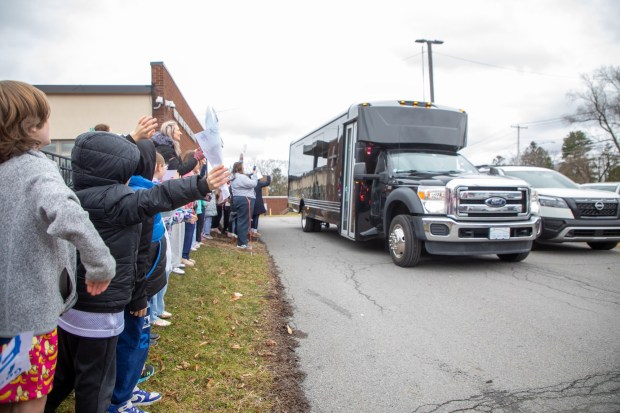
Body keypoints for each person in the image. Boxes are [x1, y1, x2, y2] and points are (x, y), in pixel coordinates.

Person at [44, 131, 229, 413]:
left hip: (68, 309)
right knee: (95, 386)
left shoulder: (71, 196)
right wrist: (201, 184)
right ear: (118, 169)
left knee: (63, 376)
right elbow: (158, 196)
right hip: (101, 314)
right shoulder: (119, 201)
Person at [0, 80, 116, 413]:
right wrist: (101, 264)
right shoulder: (37, 169)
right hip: (30, 326)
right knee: (28, 405)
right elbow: (70, 215)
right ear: (30, 125)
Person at [230, 161, 258, 250]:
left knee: (241, 220)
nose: (244, 168)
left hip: (237, 199)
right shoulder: (241, 177)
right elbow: (253, 184)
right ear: (240, 168)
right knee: (244, 221)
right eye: (243, 167)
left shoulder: (233, 177)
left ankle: (240, 242)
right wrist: (254, 176)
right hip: (246, 199)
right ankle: (243, 243)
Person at [251, 173, 271, 237]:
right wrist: (268, 175)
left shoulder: (249, 183)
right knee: (256, 217)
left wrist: (251, 173)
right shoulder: (258, 183)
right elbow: (267, 182)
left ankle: (251, 231)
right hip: (257, 202)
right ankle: (255, 231)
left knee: (251, 217)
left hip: (250, 201)